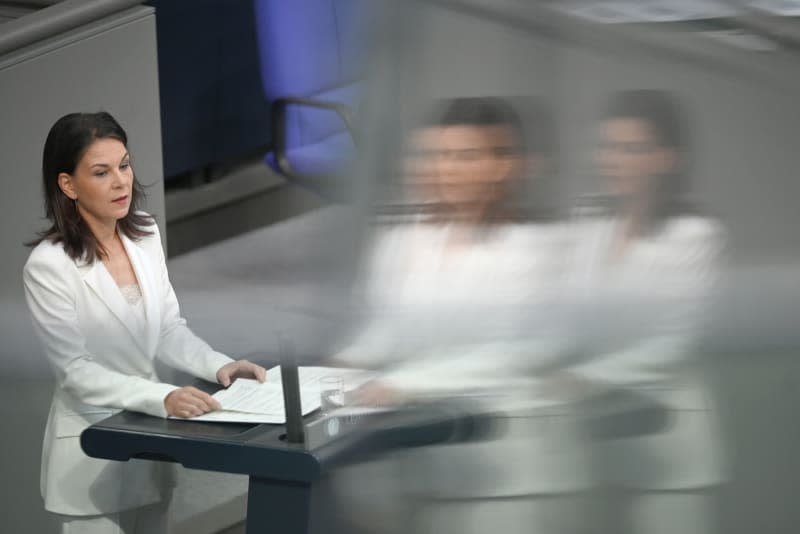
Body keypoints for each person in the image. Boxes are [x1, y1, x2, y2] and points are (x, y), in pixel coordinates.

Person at [332, 97, 588, 534]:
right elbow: (390, 326)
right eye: (438, 155)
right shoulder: (412, 236)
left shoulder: (544, 247)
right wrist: (345, 363)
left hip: (512, 471)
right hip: (429, 463)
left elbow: (517, 354)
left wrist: (401, 386)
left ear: (506, 165)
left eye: (465, 156)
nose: (445, 169)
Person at [23, 111, 267, 534]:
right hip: (90, 465)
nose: (121, 182)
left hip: (149, 458)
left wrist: (218, 365)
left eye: (125, 165)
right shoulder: (47, 267)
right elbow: (76, 373)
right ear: (68, 184)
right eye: (102, 172)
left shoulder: (145, 234)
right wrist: (165, 396)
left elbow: (168, 328)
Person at [559, 90, 726, 534]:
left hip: (667, 445)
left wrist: (587, 376)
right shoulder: (590, 225)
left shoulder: (693, 234)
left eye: (632, 148)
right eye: (609, 147)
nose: (614, 159)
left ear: (668, 158)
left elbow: (673, 340)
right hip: (596, 442)